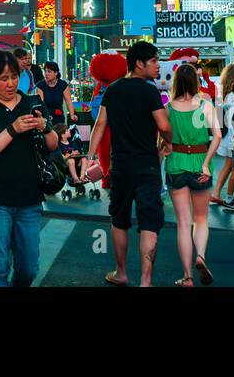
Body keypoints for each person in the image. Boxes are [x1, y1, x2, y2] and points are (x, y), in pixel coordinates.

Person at [85, 41, 171, 287]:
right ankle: (146, 280)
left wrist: (89, 158)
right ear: (139, 63)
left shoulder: (112, 90)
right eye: (154, 61)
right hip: (148, 166)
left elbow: (100, 125)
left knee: (120, 220)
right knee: (149, 223)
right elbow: (164, 126)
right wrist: (169, 142)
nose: (157, 66)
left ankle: (121, 272)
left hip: (120, 166)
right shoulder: (149, 91)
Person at [0, 50, 58, 287]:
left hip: (29, 199)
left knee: (28, 269)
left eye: (14, 77)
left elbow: (53, 144)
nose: (10, 83)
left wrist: (45, 127)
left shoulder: (33, 104)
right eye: (3, 78)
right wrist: (12, 129)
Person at [164, 64, 222, 285]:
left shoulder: (168, 108)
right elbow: (217, 136)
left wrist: (167, 146)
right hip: (200, 165)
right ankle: (201, 256)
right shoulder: (206, 106)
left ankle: (187, 276)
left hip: (176, 164)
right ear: (195, 82)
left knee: (183, 223)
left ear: (176, 82)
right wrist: (207, 163)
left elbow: (162, 138)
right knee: (201, 218)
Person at [211, 64, 234, 209]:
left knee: (230, 164)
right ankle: (220, 194)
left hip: (226, 132)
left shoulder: (222, 90)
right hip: (232, 133)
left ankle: (216, 193)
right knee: (232, 165)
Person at [36, 60, 76, 127]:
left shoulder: (63, 84)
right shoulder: (40, 85)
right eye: (45, 71)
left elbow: (69, 102)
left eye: (49, 71)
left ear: (56, 73)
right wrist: (45, 116)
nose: (46, 74)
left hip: (58, 115)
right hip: (45, 117)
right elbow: (41, 104)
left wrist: (72, 115)